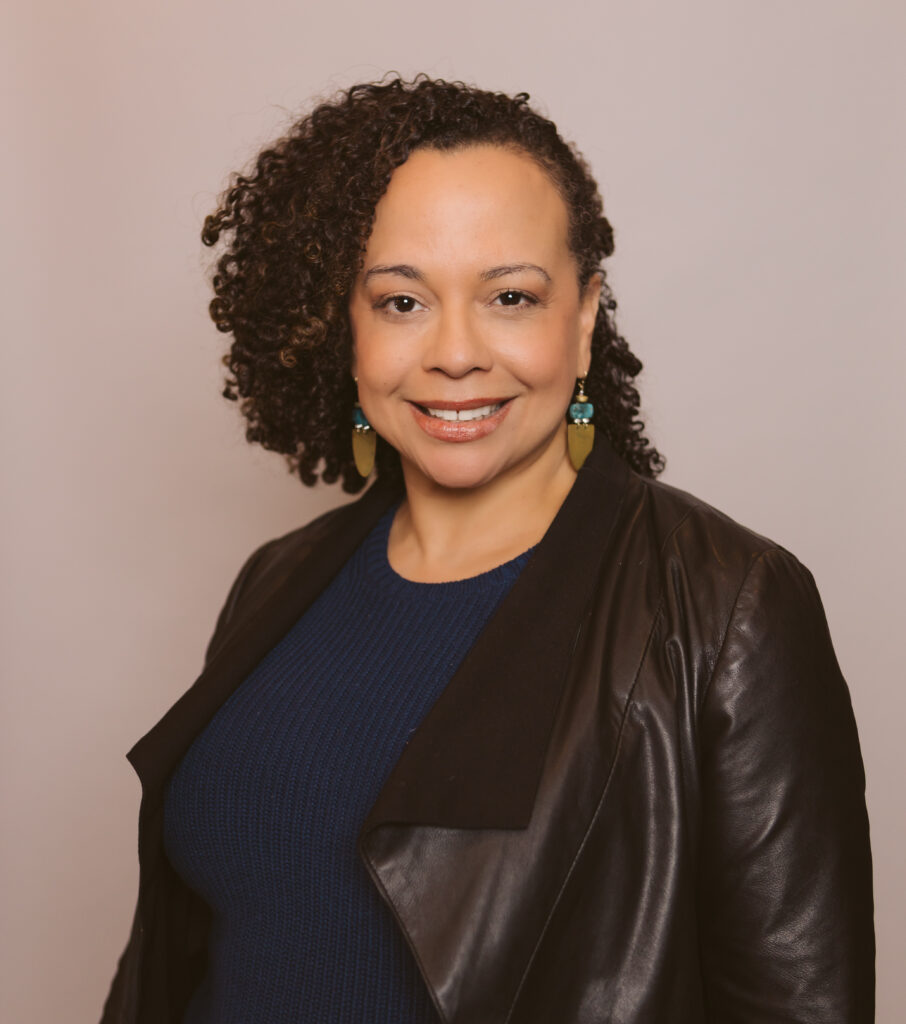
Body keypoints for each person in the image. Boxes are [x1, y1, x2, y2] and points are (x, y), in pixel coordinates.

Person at [101, 76, 874, 1024]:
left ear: (583, 318)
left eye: (509, 295)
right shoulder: (278, 580)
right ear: (343, 326)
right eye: (400, 303)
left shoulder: (730, 605)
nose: (455, 353)